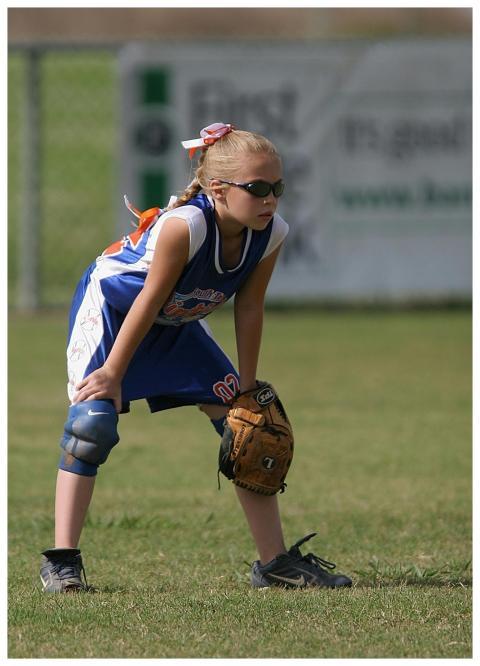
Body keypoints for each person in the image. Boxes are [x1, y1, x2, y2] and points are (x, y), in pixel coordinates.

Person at [39, 123, 352, 593]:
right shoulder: (185, 226)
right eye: (258, 188)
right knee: (91, 425)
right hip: (114, 313)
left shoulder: (270, 234)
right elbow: (147, 300)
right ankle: (62, 562)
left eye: (278, 188)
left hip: (177, 322)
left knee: (248, 432)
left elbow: (249, 308)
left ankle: (275, 564)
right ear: (217, 189)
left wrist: (246, 388)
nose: (271, 199)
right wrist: (111, 373)